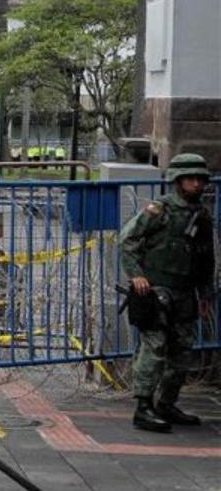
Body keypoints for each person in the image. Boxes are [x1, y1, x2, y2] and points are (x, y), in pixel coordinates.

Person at [120, 153, 215, 433]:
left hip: (185, 292)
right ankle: (143, 406)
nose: (196, 184)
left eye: (199, 179)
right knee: (155, 348)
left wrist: (206, 294)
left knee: (182, 351)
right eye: (190, 179)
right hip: (156, 290)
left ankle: (167, 403)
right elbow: (128, 240)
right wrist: (136, 274)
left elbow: (206, 258)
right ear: (177, 181)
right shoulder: (159, 210)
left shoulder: (202, 215)